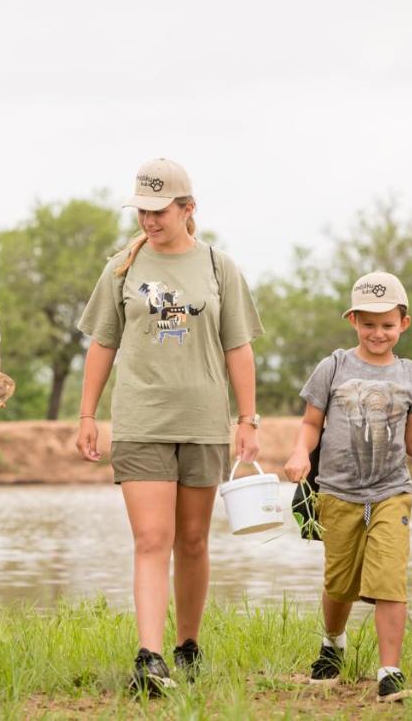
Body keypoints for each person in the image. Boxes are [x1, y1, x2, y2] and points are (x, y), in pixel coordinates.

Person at [74, 158, 264, 696]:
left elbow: (239, 347)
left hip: (204, 422)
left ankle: (188, 645)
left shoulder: (219, 266)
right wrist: (87, 415)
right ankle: (149, 657)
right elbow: (102, 344)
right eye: (142, 211)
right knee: (151, 538)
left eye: (159, 211)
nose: (149, 220)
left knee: (195, 540)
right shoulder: (121, 268)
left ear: (187, 208)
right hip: (140, 420)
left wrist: (247, 418)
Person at [284, 272, 412, 703]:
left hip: (390, 492)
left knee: (389, 580)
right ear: (352, 320)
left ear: (404, 323)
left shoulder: (410, 375)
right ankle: (332, 644)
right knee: (339, 584)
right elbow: (311, 424)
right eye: (368, 323)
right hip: (338, 492)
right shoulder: (334, 367)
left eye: (387, 324)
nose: (377, 333)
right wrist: (299, 454)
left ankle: (390, 671)